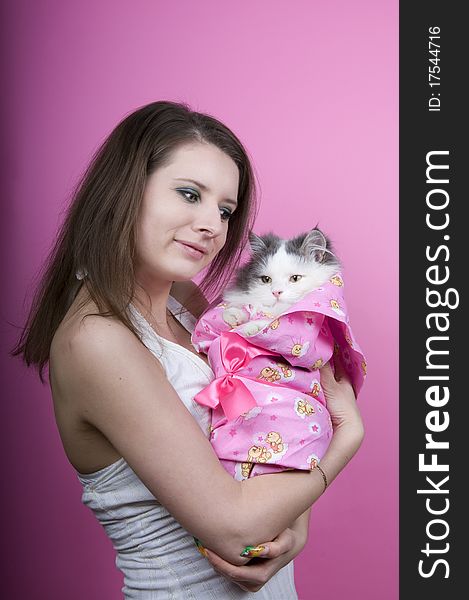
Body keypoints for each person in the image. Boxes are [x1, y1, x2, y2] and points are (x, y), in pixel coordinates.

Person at [13, 100, 364, 599]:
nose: (212, 225)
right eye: (188, 194)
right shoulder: (97, 340)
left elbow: (280, 418)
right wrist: (345, 441)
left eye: (224, 209)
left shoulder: (185, 303)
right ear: (126, 190)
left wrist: (294, 531)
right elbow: (237, 528)